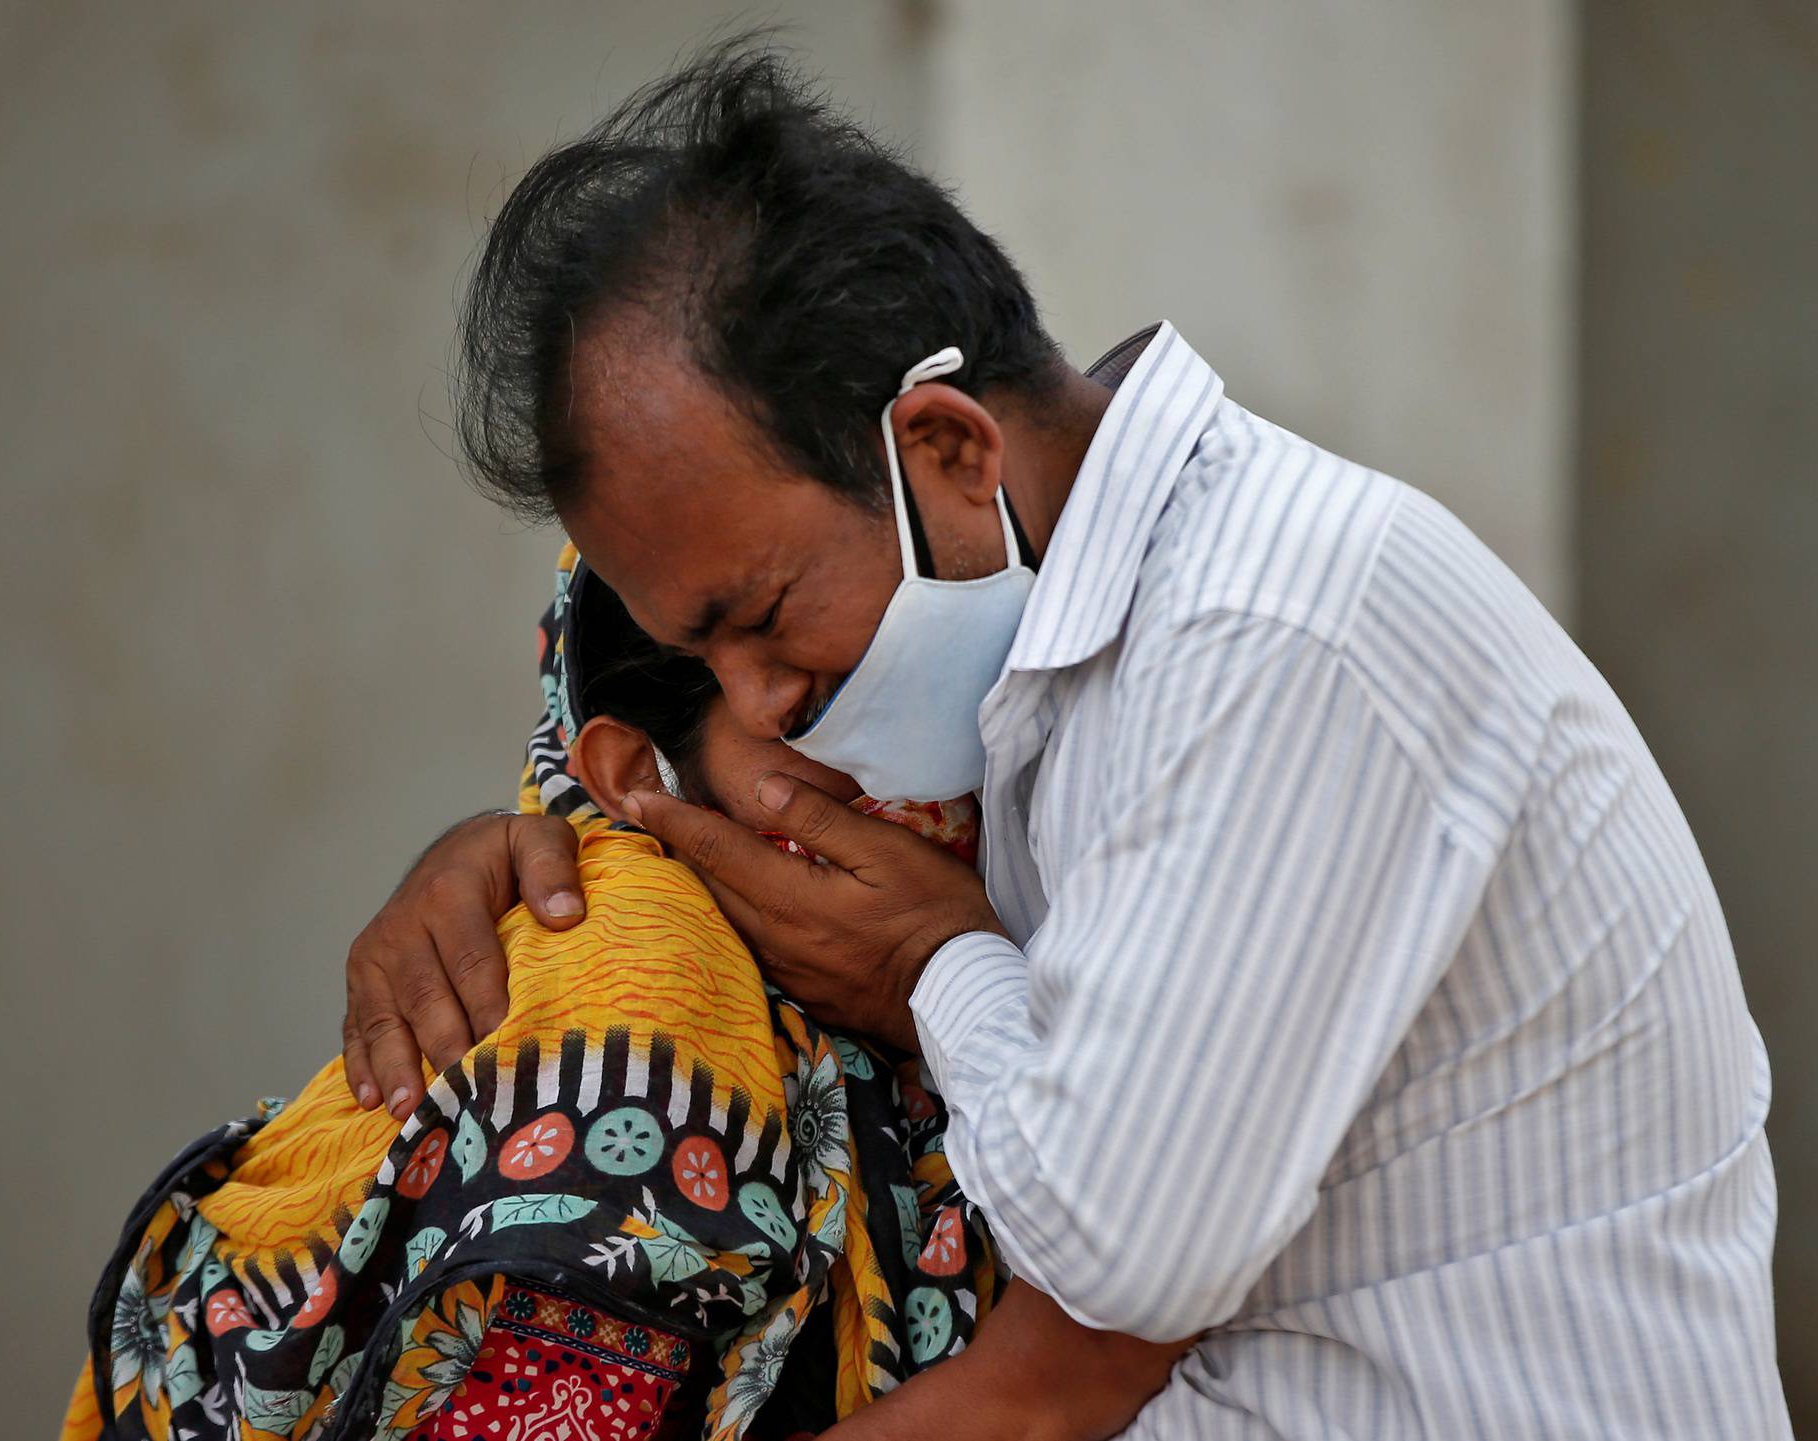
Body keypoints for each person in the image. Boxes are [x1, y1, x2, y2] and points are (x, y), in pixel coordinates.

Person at [343, 41, 1792, 1438]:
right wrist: (513, 868)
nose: (767, 699)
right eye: (698, 662)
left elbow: (1109, 1265)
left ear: (952, 452)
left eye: (766, 616)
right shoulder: (1031, 688)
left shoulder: (1270, 634)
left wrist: (935, 965)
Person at [62, 546, 1184, 1441]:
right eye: (815, 710)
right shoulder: (638, 1031)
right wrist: (1039, 1388)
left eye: (935, 680)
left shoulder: (919, 953)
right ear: (632, 774)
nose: (920, 761)